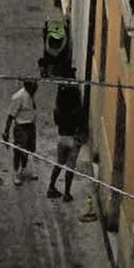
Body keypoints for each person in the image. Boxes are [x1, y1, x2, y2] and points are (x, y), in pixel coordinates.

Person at [49, 71, 83, 201]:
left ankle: (51, 187)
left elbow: (57, 121)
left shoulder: (58, 110)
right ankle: (67, 193)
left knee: (59, 163)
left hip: (62, 136)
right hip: (73, 138)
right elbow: (81, 122)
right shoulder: (77, 110)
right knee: (70, 167)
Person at [2, 80, 39, 185]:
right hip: (21, 127)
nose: (35, 90)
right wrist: (6, 131)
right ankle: (16, 172)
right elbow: (10, 115)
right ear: (28, 87)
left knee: (29, 149)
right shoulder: (18, 97)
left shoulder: (31, 95)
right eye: (34, 88)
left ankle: (24, 169)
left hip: (31, 125)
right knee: (19, 151)